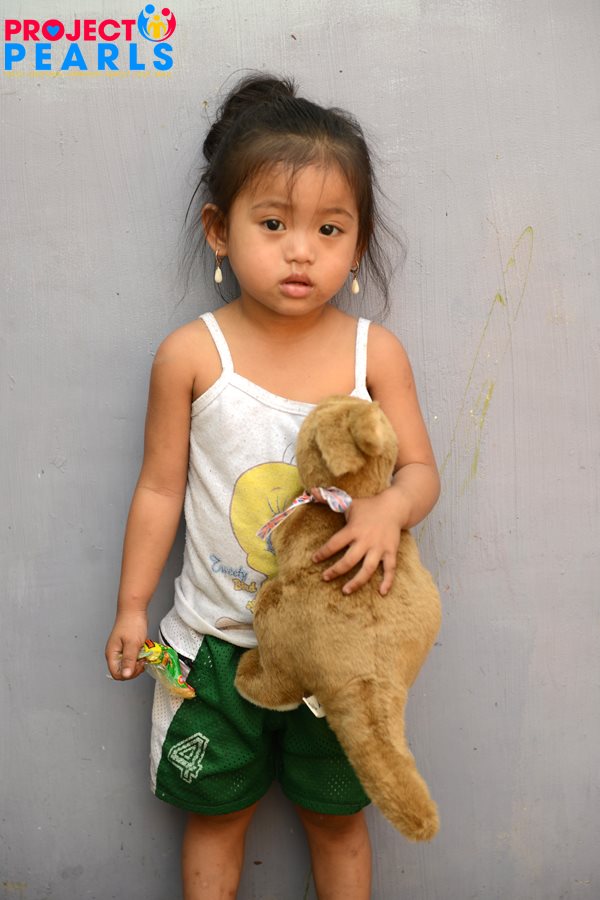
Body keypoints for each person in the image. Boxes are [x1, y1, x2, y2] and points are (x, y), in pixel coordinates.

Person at [105, 73, 440, 900]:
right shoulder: (191, 355)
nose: (301, 250)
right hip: (214, 649)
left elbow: (420, 472)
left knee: (337, 822)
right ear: (220, 231)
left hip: (338, 653)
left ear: (356, 243)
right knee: (216, 821)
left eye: (329, 228)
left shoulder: (375, 354)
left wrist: (388, 509)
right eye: (274, 223)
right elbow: (159, 490)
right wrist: (131, 607)